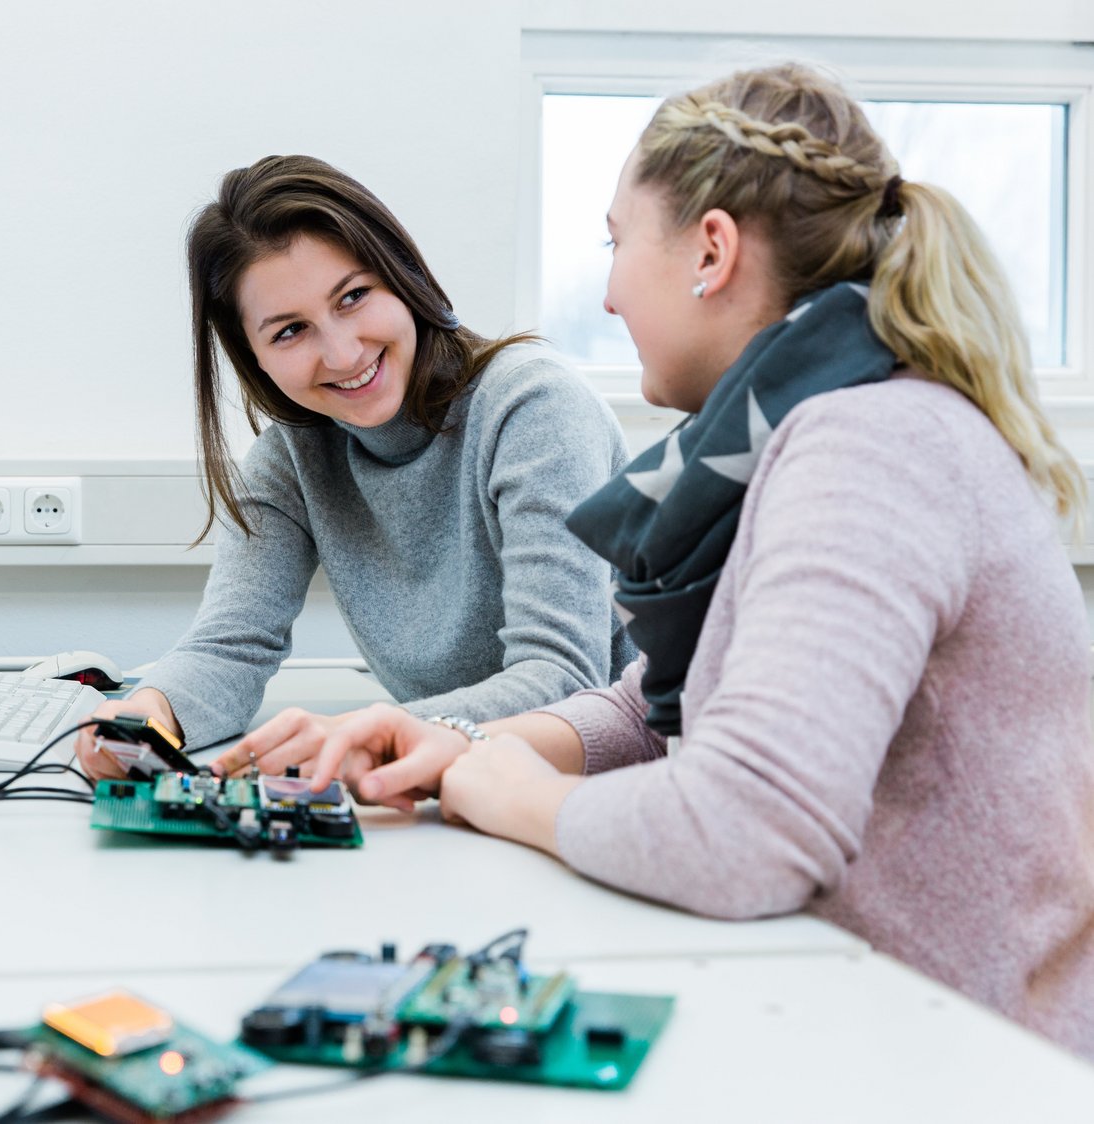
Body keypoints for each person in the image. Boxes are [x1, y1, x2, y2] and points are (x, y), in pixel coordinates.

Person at [304, 64, 1094, 1059]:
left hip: (959, 1053)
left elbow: (748, 828)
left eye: (617, 239)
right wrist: (460, 740)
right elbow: (662, 702)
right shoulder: (809, 428)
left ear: (710, 250)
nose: (608, 288)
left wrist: (523, 797)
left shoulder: (873, 447)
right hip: (866, 1013)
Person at [76, 154, 635, 775]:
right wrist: (144, 716)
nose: (343, 353)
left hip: (606, 774)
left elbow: (562, 677)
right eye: (289, 331)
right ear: (254, 356)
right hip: (451, 783)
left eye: (354, 296)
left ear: (404, 277)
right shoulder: (292, 457)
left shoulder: (533, 407)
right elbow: (228, 649)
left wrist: (355, 733)